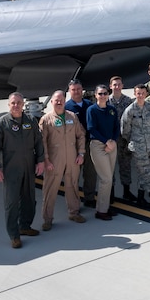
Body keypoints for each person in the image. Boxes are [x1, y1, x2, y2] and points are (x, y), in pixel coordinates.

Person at [0, 92, 48, 248]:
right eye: (13, 103)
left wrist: (40, 161)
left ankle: (25, 226)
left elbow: (38, 142)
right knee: (12, 202)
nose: (16, 106)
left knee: (29, 199)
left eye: (19, 103)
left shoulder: (30, 121)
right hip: (11, 168)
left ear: (23, 105)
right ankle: (14, 235)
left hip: (29, 166)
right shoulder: (2, 124)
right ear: (9, 105)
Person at [40, 90, 86, 231]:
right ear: (51, 102)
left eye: (61, 100)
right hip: (54, 160)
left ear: (65, 101)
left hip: (72, 158)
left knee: (72, 185)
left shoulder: (72, 116)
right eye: (56, 100)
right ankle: (47, 219)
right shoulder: (46, 120)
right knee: (50, 189)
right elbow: (42, 143)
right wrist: (46, 160)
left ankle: (74, 213)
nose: (59, 102)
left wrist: (81, 154)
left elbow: (81, 135)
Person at [121, 84, 150, 208]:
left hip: (149, 145)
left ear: (146, 94)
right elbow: (125, 129)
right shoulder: (130, 110)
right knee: (146, 171)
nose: (141, 95)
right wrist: (133, 141)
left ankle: (140, 197)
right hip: (138, 146)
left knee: (147, 171)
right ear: (134, 94)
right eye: (138, 93)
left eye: (143, 93)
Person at [86, 84, 120, 220]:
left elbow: (117, 127)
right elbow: (91, 128)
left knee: (109, 178)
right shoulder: (92, 110)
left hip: (112, 144)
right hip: (98, 145)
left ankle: (104, 206)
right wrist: (107, 141)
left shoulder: (112, 109)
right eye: (100, 93)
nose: (103, 96)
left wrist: (113, 141)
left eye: (105, 93)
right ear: (95, 95)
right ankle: (101, 211)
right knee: (105, 179)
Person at [65, 80, 96, 207]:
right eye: (73, 89)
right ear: (69, 91)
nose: (76, 92)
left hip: (88, 144)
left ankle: (89, 198)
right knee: (74, 175)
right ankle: (74, 200)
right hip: (74, 146)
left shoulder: (89, 105)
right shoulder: (67, 108)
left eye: (78, 89)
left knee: (90, 173)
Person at [107, 76, 135, 201]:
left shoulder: (128, 101)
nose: (117, 87)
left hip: (124, 138)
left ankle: (126, 191)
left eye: (119, 84)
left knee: (125, 165)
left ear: (122, 86)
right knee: (110, 167)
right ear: (110, 86)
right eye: (114, 85)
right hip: (111, 139)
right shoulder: (106, 101)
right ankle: (110, 193)